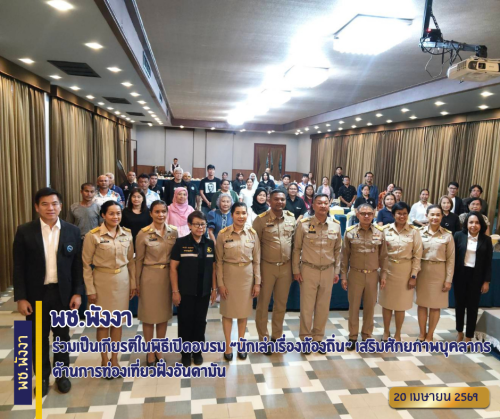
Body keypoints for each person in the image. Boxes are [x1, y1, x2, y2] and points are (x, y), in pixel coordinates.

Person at [13, 187, 83, 397]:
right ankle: (42, 378)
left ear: (61, 206)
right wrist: (21, 297)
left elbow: (77, 266)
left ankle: (62, 376)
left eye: (54, 204)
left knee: (62, 338)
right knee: (38, 338)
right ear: (37, 207)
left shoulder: (72, 231)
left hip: (63, 295)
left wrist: (77, 292)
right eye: (44, 204)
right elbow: (18, 267)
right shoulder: (25, 231)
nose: (50, 208)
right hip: (36, 295)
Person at [83, 201, 136, 371]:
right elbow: (86, 265)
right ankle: (104, 359)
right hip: (101, 282)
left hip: (122, 281)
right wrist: (90, 290)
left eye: (118, 213)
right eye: (111, 213)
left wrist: (133, 283)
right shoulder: (93, 236)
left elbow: (131, 261)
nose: (115, 217)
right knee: (103, 324)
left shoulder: (127, 234)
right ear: (103, 215)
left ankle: (114, 359)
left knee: (117, 323)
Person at [293, 194, 342, 352]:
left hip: (328, 270)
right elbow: (296, 249)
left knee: (323, 307)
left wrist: (336, 271)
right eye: (319, 203)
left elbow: (338, 251)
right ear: (312, 205)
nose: (322, 206)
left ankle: (318, 338)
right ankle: (306, 339)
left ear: (329, 205)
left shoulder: (335, 225)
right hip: (309, 270)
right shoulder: (303, 224)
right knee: (306, 308)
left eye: (325, 203)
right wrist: (296, 270)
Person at [170, 211, 217, 367]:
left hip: (203, 291)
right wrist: (175, 291)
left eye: (203, 224)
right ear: (189, 225)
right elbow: (173, 268)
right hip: (185, 291)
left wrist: (214, 289)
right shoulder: (181, 243)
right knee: (185, 322)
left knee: (200, 322)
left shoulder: (209, 244)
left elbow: (214, 268)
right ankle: (185, 353)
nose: (200, 227)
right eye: (196, 224)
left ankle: (197, 352)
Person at [216, 202, 261, 360]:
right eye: (237, 213)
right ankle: (228, 346)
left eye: (243, 213)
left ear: (247, 215)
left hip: (247, 277)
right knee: (227, 313)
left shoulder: (252, 234)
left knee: (243, 313)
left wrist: (257, 282)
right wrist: (220, 284)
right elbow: (218, 262)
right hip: (229, 276)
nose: (241, 216)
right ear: (232, 215)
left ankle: (241, 344)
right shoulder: (223, 234)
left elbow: (257, 260)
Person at [135, 201, 178, 366]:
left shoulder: (173, 232)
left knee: (163, 316)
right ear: (151, 213)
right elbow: (138, 260)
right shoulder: (143, 233)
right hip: (149, 277)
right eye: (157, 212)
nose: (161, 215)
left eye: (163, 211)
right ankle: (150, 352)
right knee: (148, 316)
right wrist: (136, 283)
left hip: (167, 277)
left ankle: (159, 350)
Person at [341, 203, 388, 349]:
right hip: (355, 274)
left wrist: (383, 275)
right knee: (353, 307)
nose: (366, 216)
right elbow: (344, 256)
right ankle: (353, 337)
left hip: (373, 275)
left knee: (370, 308)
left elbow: (384, 256)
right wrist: (343, 276)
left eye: (369, 214)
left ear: (374, 215)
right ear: (357, 214)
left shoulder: (380, 232)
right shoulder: (350, 232)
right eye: (363, 213)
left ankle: (367, 335)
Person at [253, 190, 295, 351]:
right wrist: (257, 273)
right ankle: (263, 338)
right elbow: (255, 248)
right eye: (276, 199)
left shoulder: (291, 218)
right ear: (269, 201)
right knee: (263, 304)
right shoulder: (261, 220)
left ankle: (277, 337)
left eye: (282, 199)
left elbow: (295, 245)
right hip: (266, 267)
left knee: (281, 304)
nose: (280, 202)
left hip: (286, 268)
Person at [379, 202, 423, 341]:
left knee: (400, 305)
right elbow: (380, 253)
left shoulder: (414, 232)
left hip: (405, 271)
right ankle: (386, 332)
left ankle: (398, 333)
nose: (402, 216)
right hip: (388, 270)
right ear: (393, 215)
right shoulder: (384, 230)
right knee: (387, 304)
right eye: (399, 213)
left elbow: (417, 256)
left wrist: (413, 276)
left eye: (405, 213)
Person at [416, 205, 455, 342]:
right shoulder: (418, 233)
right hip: (422, 271)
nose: (435, 217)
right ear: (426, 216)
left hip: (439, 272)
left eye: (438, 215)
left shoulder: (447, 235)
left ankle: (430, 335)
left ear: (442, 216)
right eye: (432, 214)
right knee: (422, 304)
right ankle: (422, 334)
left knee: (435, 305)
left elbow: (451, 259)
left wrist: (448, 279)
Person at [453, 212, 493, 344]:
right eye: (471, 222)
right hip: (460, 275)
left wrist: (486, 281)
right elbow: (453, 257)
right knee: (459, 306)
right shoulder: (458, 236)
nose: (473, 225)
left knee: (472, 307)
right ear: (466, 224)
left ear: (481, 225)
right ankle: (459, 332)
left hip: (476, 277)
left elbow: (488, 262)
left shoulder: (486, 240)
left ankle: (469, 336)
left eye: (477, 223)